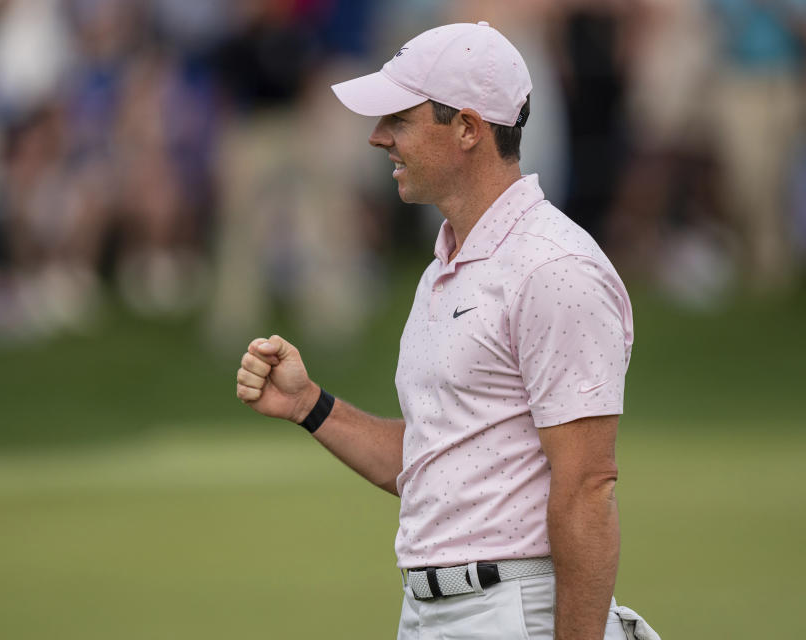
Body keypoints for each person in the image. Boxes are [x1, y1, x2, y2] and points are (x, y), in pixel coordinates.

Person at [235, 22, 660, 640]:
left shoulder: (553, 267)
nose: (379, 138)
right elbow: (435, 461)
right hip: (431, 613)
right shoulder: (447, 267)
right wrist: (309, 405)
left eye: (400, 120)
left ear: (467, 128)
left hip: (512, 613)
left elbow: (588, 486)